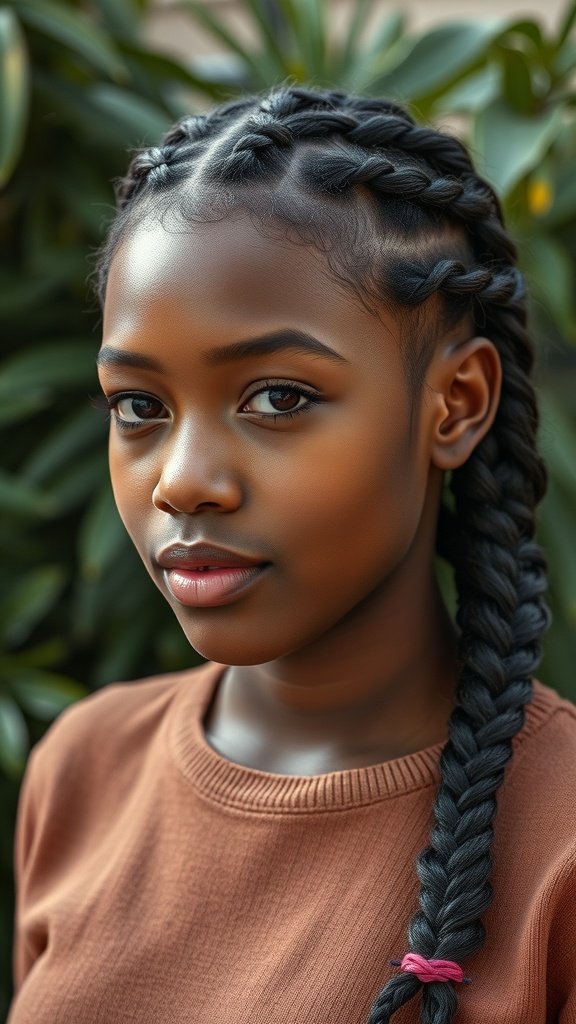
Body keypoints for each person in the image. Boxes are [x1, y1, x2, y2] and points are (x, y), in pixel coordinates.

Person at [7, 85, 576, 1024]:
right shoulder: (82, 771)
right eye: (138, 406)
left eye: (277, 398)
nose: (183, 482)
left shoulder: (554, 846)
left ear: (456, 405)